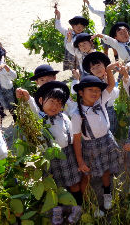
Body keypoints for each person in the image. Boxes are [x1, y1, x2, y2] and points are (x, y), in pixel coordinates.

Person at [28, 81, 83, 224]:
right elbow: (32, 109)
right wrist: (27, 98)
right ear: (41, 101)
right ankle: (57, 211)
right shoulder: (38, 119)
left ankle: (78, 207)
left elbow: (72, 135)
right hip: (49, 158)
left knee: (74, 183)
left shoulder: (64, 117)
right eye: (51, 101)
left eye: (59, 103)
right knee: (55, 186)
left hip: (67, 155)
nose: (55, 106)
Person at [71, 75, 122, 211]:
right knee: (87, 176)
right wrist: (80, 161)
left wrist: (110, 70)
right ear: (81, 92)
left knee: (106, 170)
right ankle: (87, 204)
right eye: (91, 90)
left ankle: (107, 193)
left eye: (98, 90)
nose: (95, 93)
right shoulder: (77, 114)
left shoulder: (100, 101)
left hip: (107, 141)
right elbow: (76, 140)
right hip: (90, 147)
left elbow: (111, 84)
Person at [82, 52, 120, 135]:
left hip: (109, 108)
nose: (97, 69)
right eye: (93, 68)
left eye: (98, 66)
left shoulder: (111, 79)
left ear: (105, 65)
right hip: (97, 110)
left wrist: (108, 82)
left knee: (111, 129)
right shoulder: (92, 84)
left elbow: (115, 95)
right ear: (90, 71)